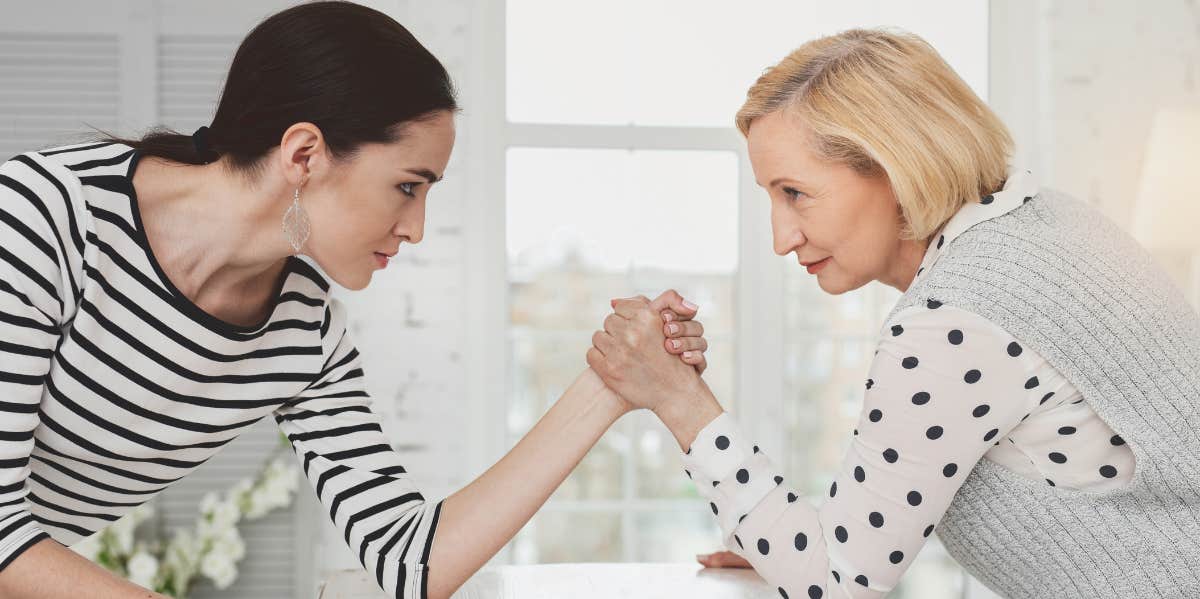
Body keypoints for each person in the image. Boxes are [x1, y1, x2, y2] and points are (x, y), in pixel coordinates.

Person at [0, 3, 712, 598]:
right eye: (408, 184)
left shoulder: (304, 330)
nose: (416, 226)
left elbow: (409, 559)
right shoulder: (44, 220)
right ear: (304, 154)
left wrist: (613, 383)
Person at [589, 28, 1200, 599]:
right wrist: (785, 541)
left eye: (795, 192)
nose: (782, 237)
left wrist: (679, 400)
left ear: (894, 166)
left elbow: (835, 585)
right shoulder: (1040, 224)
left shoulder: (954, 318)